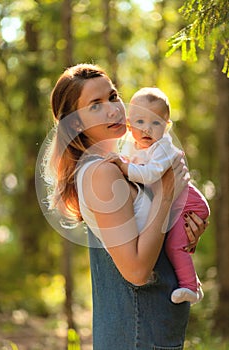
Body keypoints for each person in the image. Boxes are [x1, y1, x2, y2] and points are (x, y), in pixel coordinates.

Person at [43, 64, 207, 350]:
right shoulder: (100, 174)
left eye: (113, 96)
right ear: (75, 124)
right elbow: (136, 271)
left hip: (151, 332)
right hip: (137, 336)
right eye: (95, 105)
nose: (113, 109)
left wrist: (182, 229)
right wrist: (166, 194)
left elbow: (147, 237)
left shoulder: (124, 165)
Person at [106, 87, 210, 304]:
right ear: (128, 124)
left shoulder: (162, 147)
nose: (147, 129)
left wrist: (122, 167)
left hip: (188, 204)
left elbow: (150, 174)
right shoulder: (132, 147)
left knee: (174, 245)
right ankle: (193, 283)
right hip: (175, 203)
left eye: (156, 123)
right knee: (174, 242)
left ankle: (191, 289)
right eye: (140, 122)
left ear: (167, 126)